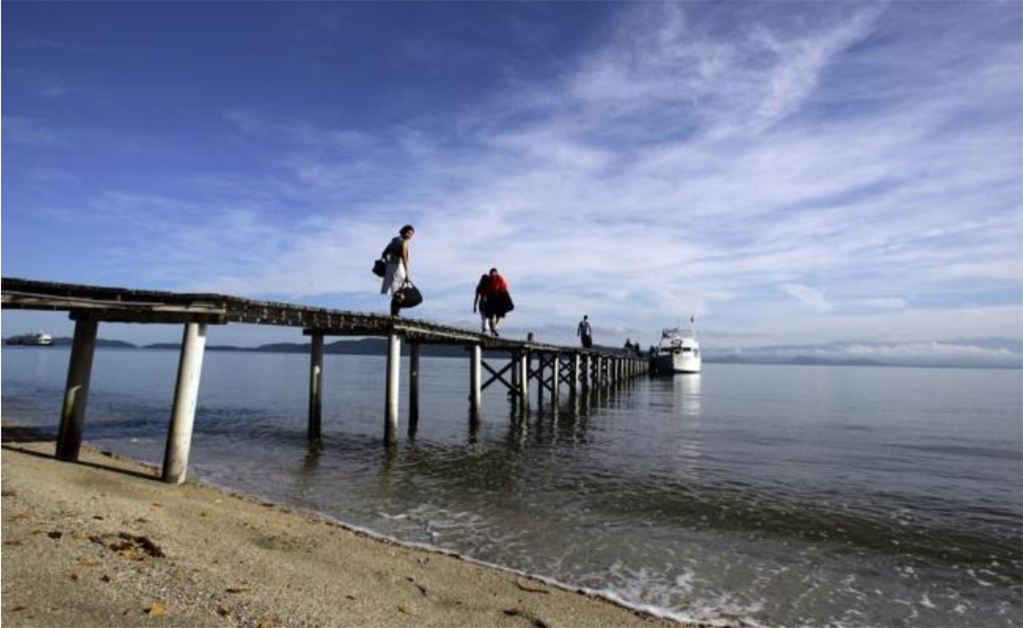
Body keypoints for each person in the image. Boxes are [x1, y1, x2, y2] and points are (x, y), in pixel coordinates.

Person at [380, 225, 414, 316]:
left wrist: (388, 263)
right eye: (409, 233)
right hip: (398, 268)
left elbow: (384, 253)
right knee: (401, 292)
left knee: (396, 292)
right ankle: (395, 314)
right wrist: (407, 274)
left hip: (391, 268)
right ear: (403, 232)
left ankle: (394, 313)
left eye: (411, 234)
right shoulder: (404, 242)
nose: (410, 236)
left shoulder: (394, 240)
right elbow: (404, 259)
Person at [484, 268, 513, 336]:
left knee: (492, 316)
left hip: (491, 300)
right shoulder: (499, 278)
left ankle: (492, 331)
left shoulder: (488, 280)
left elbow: (486, 292)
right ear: (496, 272)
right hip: (500, 298)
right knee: (501, 316)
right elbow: (504, 288)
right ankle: (496, 327)